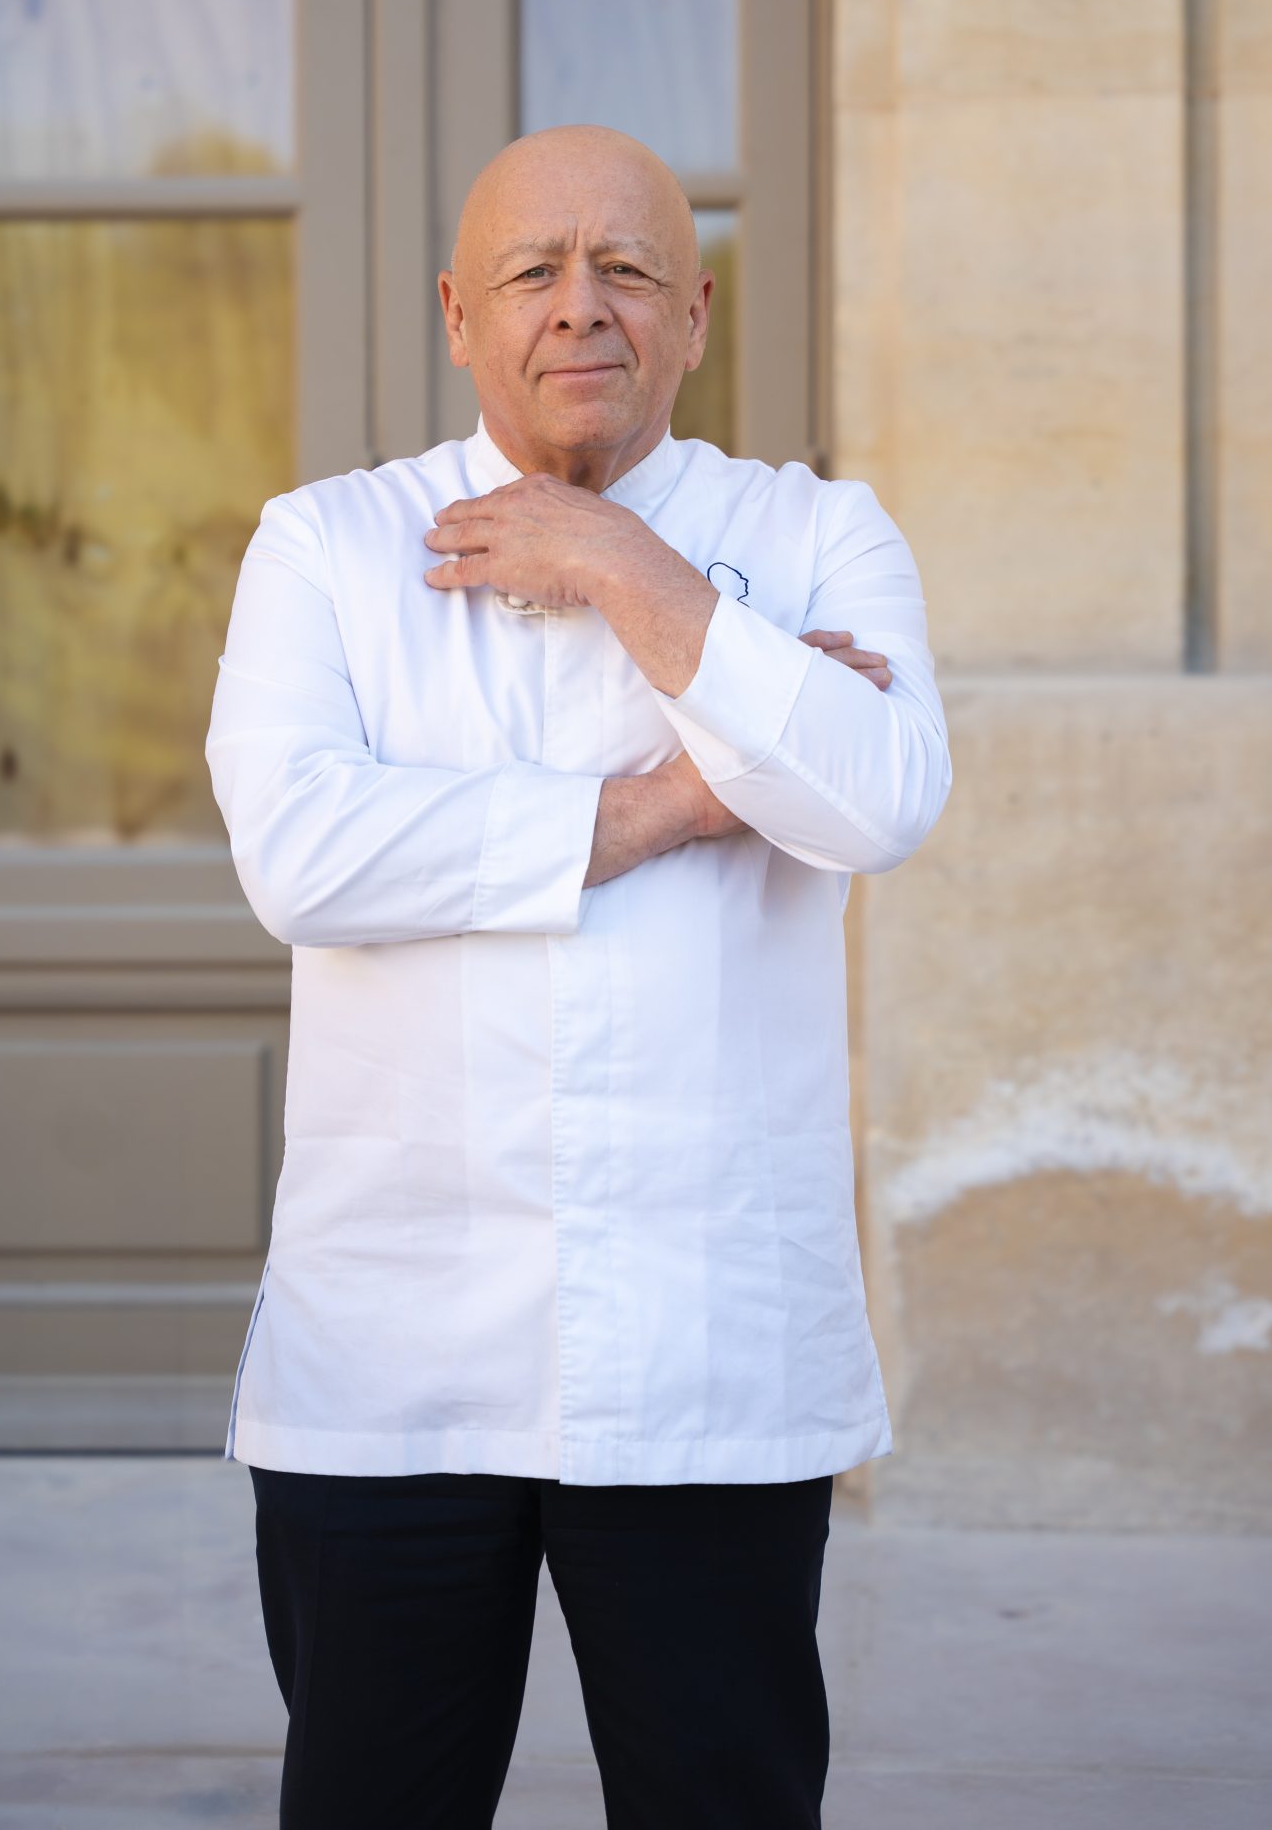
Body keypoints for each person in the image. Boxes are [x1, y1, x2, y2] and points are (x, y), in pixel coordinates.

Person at [205, 124, 952, 1829]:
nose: (578, 307)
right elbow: (305, 857)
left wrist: (624, 567)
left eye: (624, 268)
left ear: (695, 314)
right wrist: (684, 798)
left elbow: (876, 800)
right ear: (458, 315)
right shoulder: (325, 546)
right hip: (393, 1347)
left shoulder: (817, 533)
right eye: (532, 270)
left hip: (708, 1347)